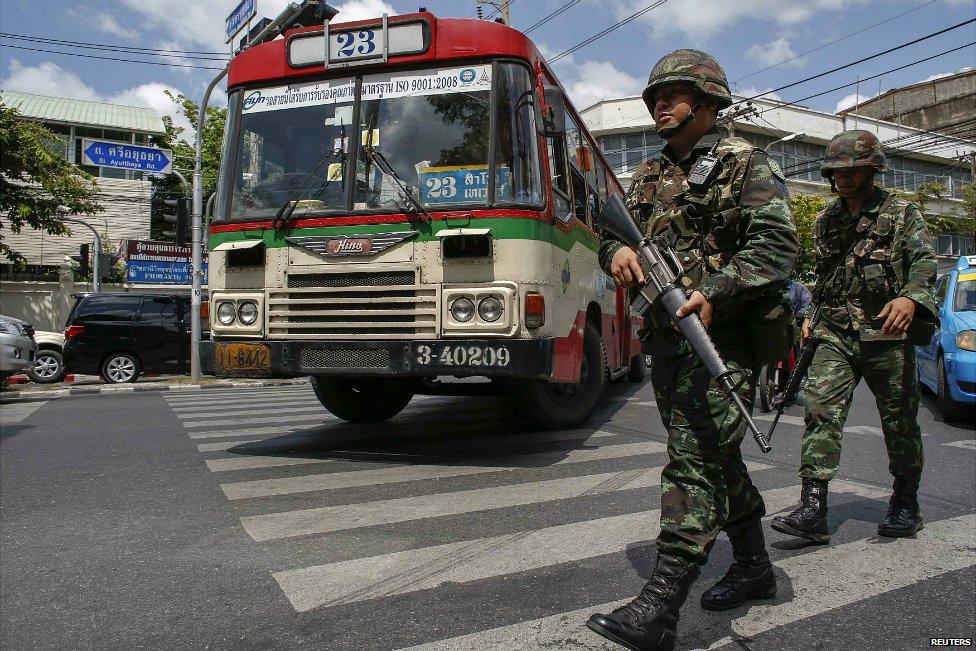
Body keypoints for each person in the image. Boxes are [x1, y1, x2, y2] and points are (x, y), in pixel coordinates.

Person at [585, 49, 798, 651]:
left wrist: (715, 290)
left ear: (707, 103)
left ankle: (660, 608)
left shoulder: (745, 163)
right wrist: (617, 255)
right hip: (667, 343)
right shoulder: (648, 178)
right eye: (655, 97)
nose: (660, 105)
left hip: (722, 340)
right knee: (720, 459)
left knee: (697, 460)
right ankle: (754, 566)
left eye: (674, 95)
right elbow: (609, 235)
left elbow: (778, 247)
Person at [771, 130, 937, 545]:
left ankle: (905, 503)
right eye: (836, 172)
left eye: (853, 171)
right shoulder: (826, 220)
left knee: (899, 423)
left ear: (871, 170)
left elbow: (924, 262)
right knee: (819, 411)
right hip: (836, 332)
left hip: (887, 333)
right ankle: (813, 508)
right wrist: (811, 313)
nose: (843, 178)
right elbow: (826, 276)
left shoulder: (901, 212)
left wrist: (911, 298)